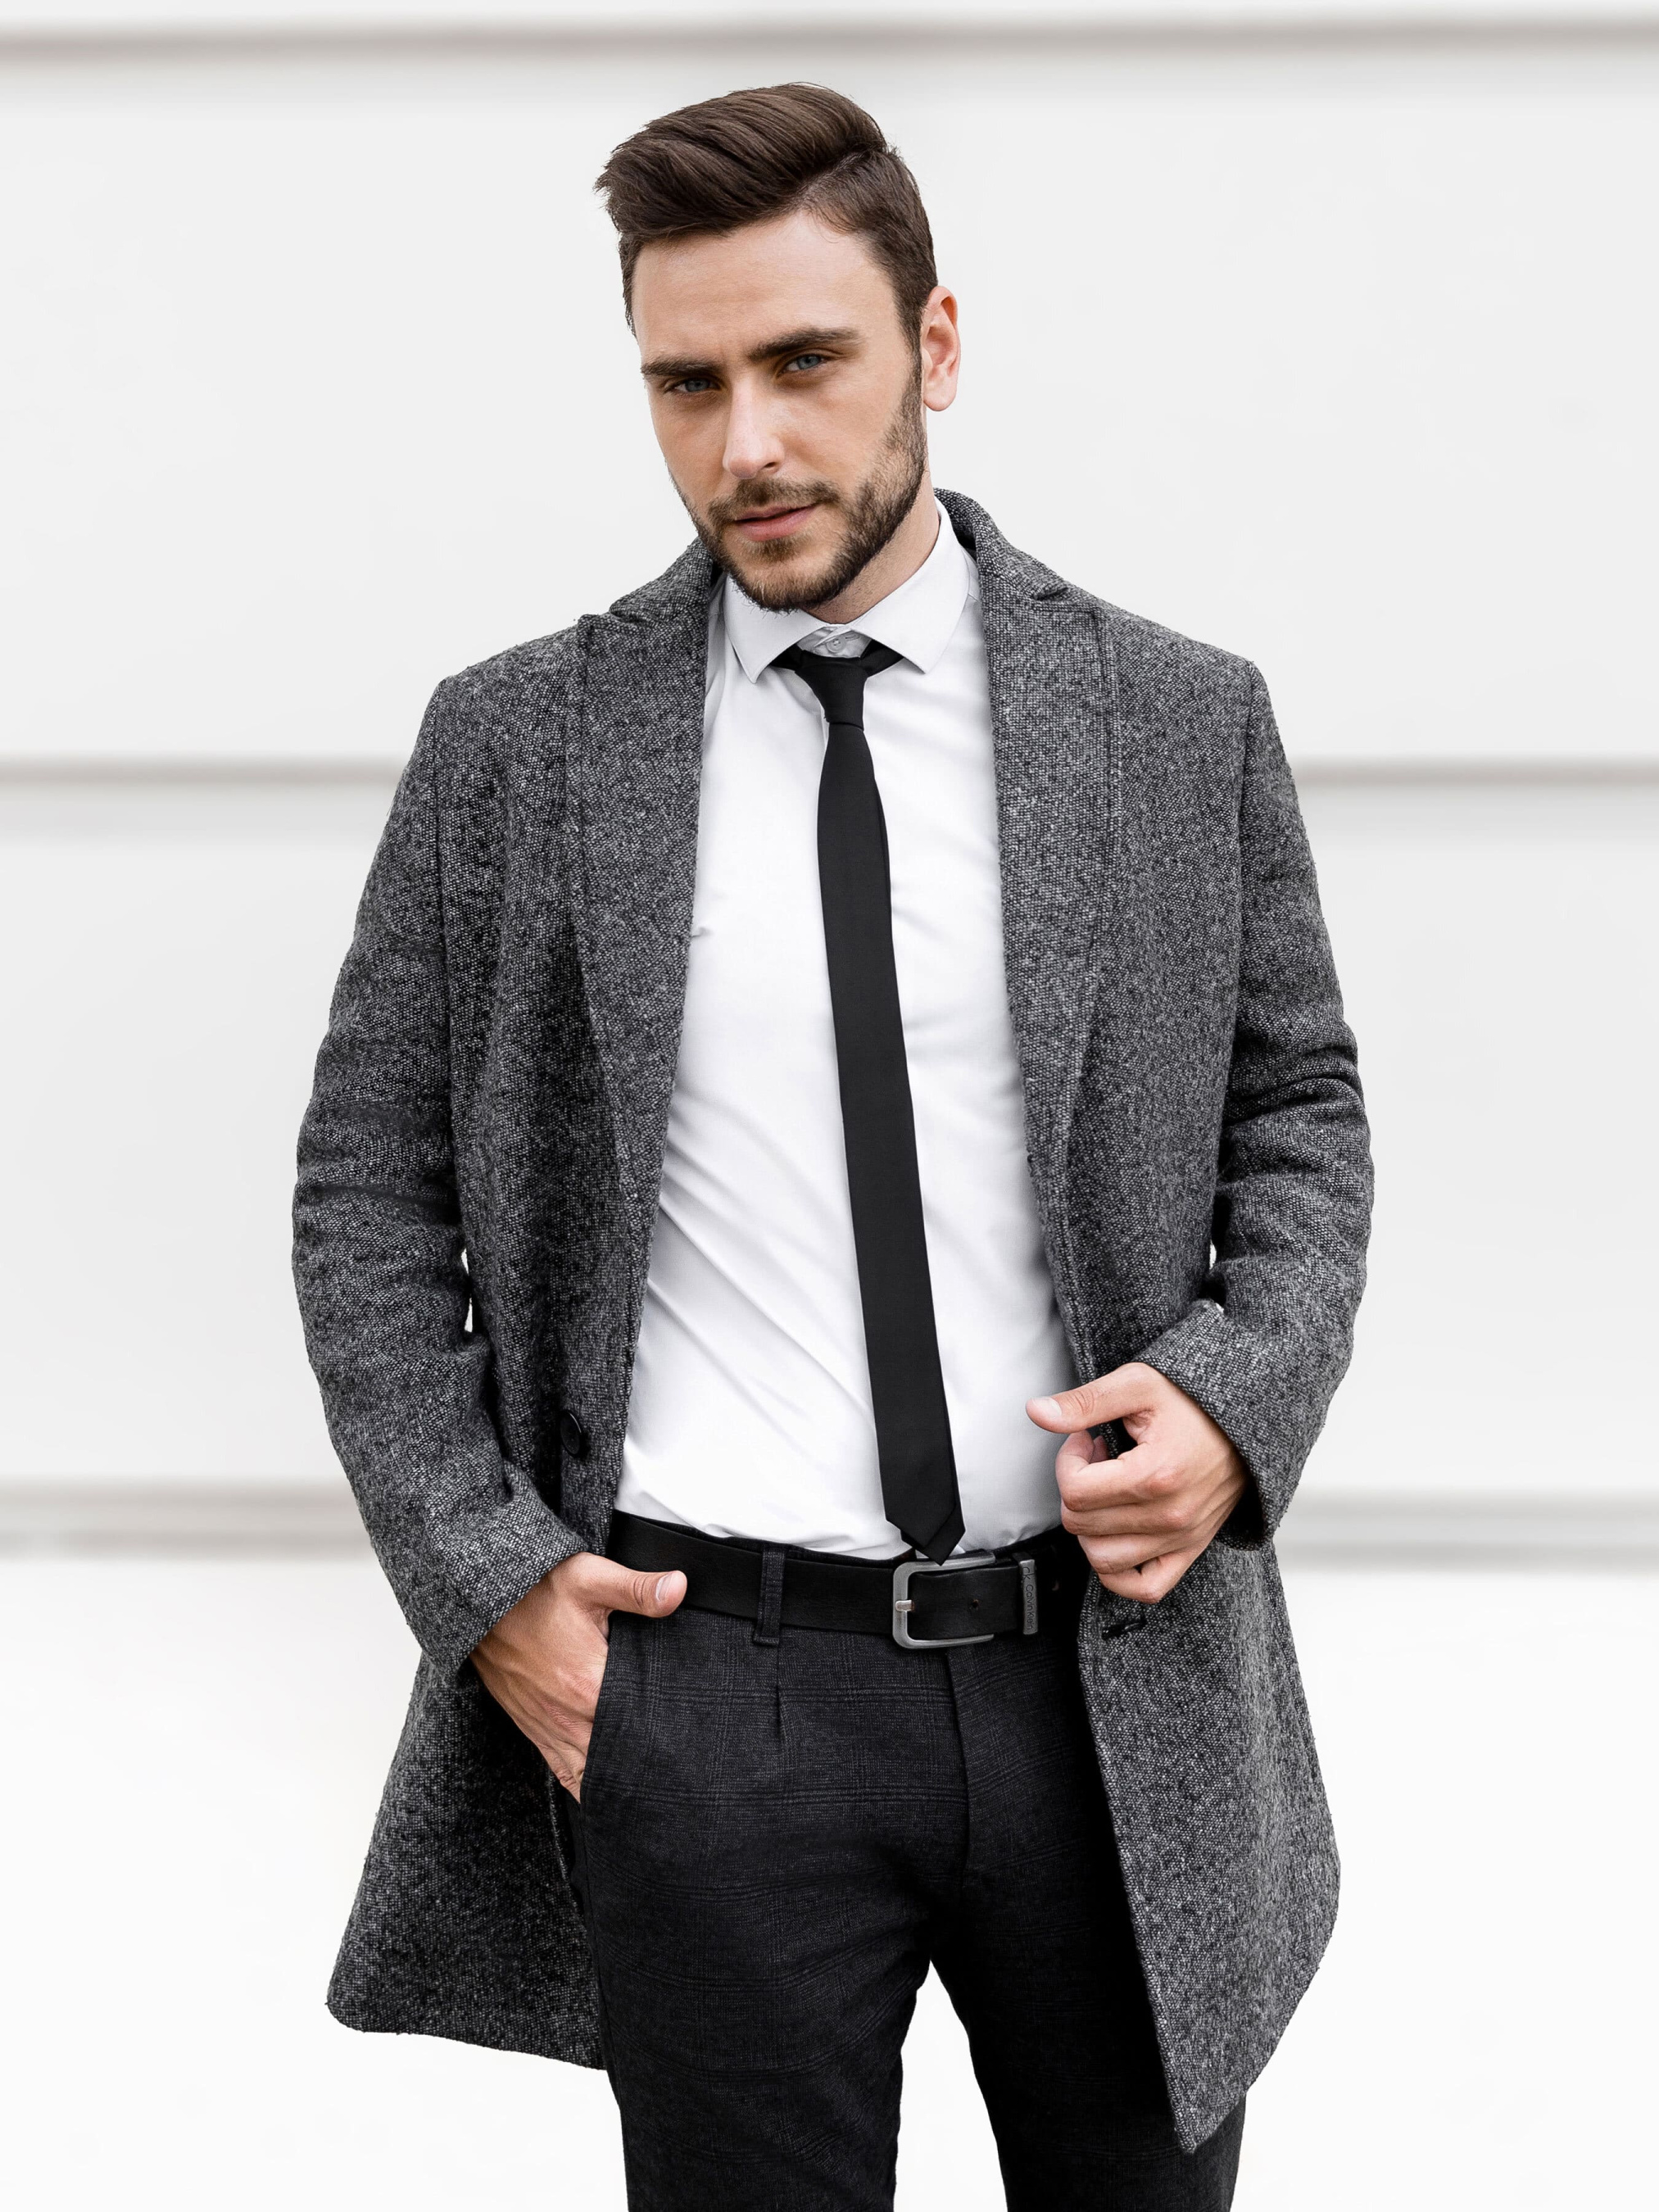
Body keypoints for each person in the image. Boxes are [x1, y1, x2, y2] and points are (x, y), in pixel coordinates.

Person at [293, 81, 1371, 2212]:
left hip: (1113, 1677)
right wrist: (491, 1587)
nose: (748, 446)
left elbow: (1299, 1114)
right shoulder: (518, 743)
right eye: (685, 385)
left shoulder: (1173, 720)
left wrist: (1237, 1402)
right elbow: (365, 1193)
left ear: (934, 347)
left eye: (804, 362)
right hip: (711, 1692)